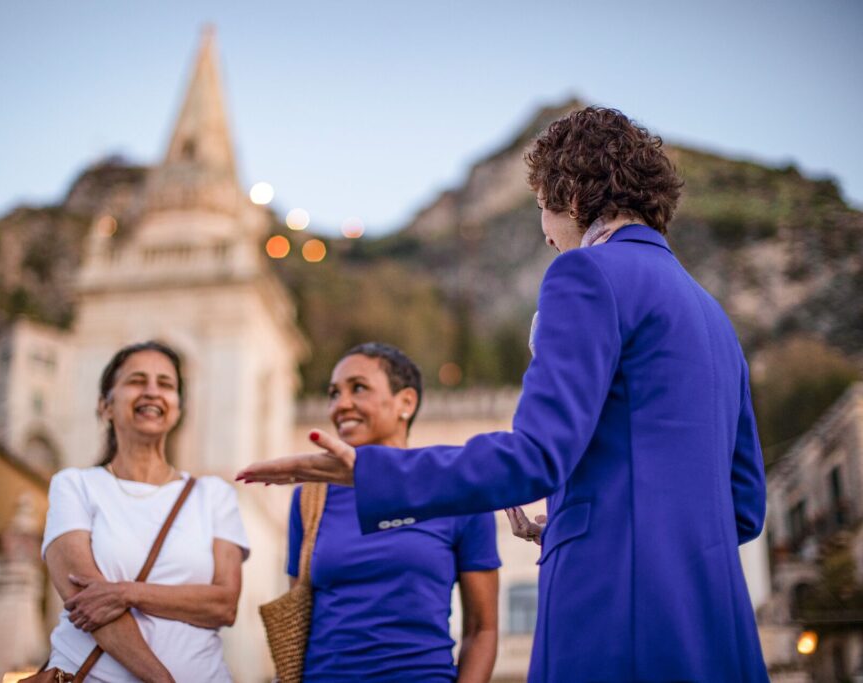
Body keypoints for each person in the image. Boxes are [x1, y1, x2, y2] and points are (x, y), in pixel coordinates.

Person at [238, 107, 769, 682]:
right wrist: (576, 516)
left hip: (616, 615)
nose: (544, 232)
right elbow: (743, 507)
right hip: (717, 629)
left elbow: (535, 457)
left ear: (568, 193)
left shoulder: (586, 275)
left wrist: (370, 474)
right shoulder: (715, 320)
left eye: (540, 206)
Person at [285, 342, 500, 682]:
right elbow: (300, 618)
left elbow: (482, 629)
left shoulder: (457, 494)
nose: (341, 405)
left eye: (358, 388)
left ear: (406, 403)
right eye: (332, 393)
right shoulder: (308, 500)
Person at [42, 341, 249, 683]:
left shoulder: (214, 494)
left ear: (178, 409)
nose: (152, 392)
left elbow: (224, 605)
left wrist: (126, 592)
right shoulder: (74, 485)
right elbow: (84, 600)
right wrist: (161, 680)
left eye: (166, 384)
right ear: (105, 406)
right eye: (137, 381)